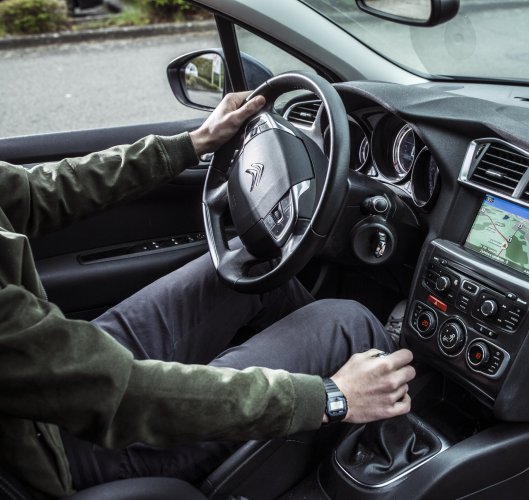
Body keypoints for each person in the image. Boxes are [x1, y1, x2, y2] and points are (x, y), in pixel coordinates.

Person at [0, 91, 415, 498]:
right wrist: (327, 397)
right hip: (59, 447)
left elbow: (36, 192)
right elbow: (125, 396)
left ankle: (350, 377)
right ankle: (393, 437)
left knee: (251, 266)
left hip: (57, 371)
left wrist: (193, 142)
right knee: (348, 325)